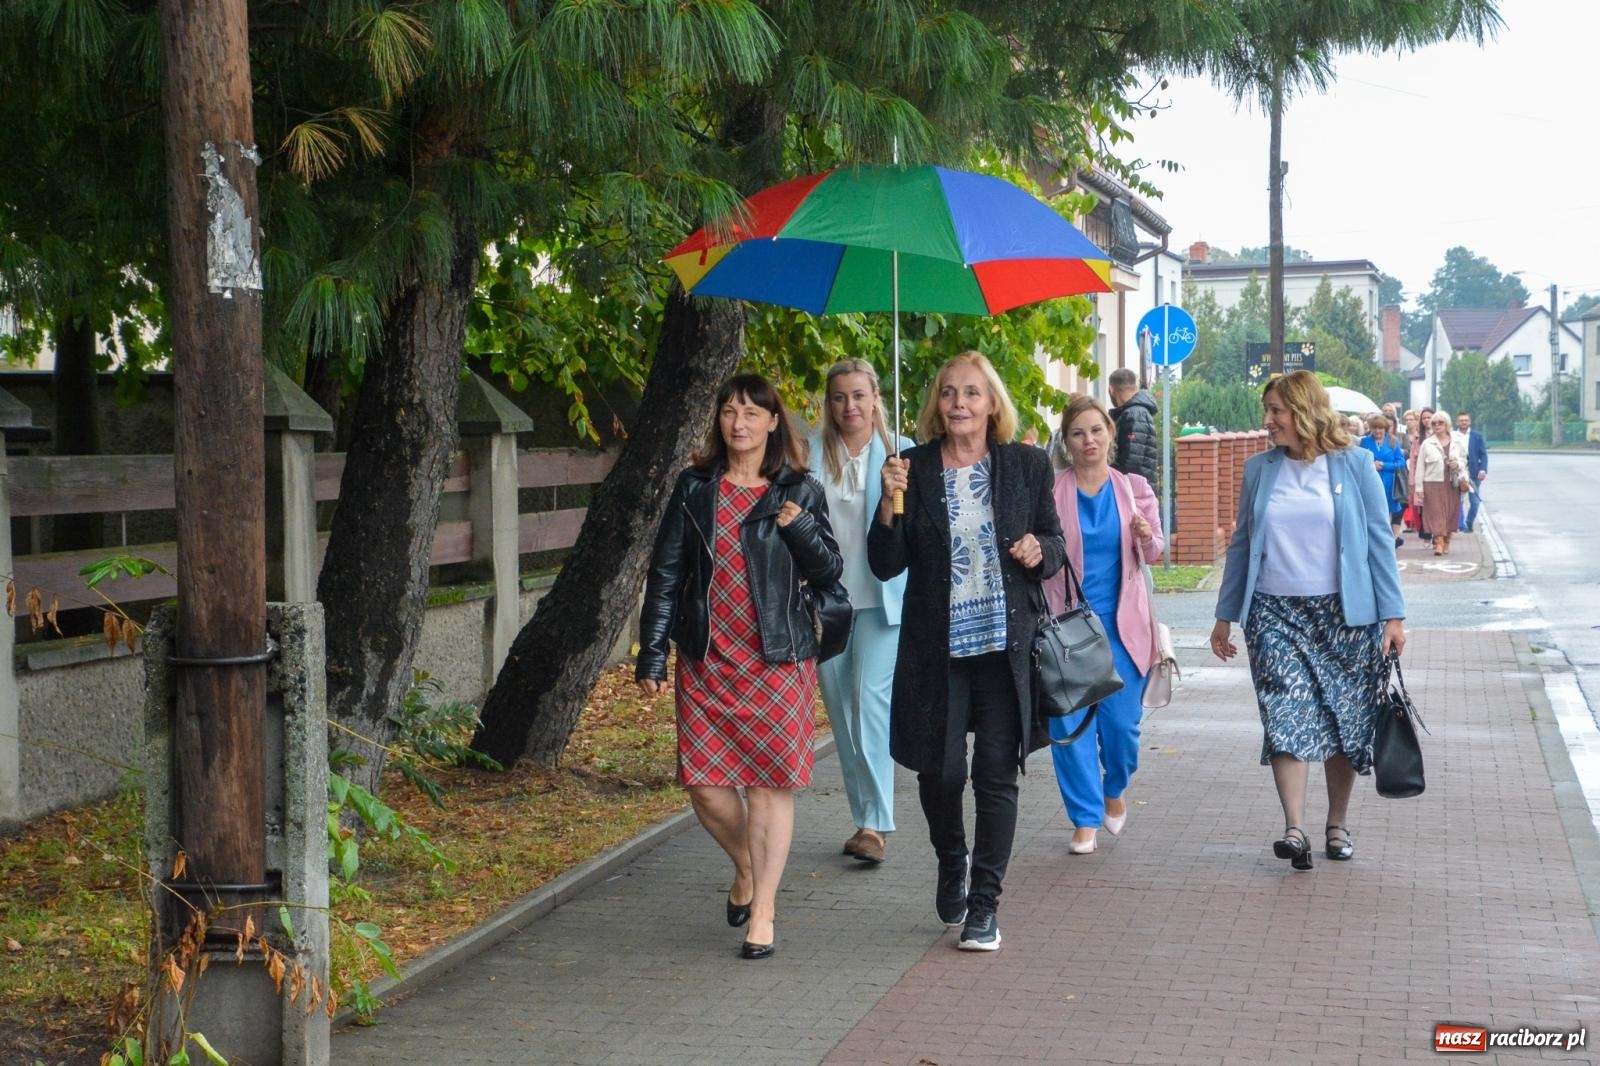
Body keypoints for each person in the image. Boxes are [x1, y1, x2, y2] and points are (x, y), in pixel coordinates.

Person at [636, 373, 844, 960]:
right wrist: (653, 651)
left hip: (777, 660)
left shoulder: (799, 489)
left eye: (753, 413)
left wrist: (798, 527)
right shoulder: (694, 486)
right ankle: (749, 867)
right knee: (705, 785)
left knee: (770, 786)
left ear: (775, 422)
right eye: (729, 411)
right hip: (708, 656)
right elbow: (667, 573)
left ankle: (765, 911)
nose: (740, 423)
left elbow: (830, 573)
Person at [869, 351, 1064, 953]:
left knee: (995, 777)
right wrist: (887, 503)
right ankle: (950, 858)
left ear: (992, 404)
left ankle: (984, 906)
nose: (959, 404)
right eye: (949, 393)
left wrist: (1040, 549)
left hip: (1006, 648)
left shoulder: (1027, 467)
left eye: (973, 393)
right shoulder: (911, 469)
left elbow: (1055, 545)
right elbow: (885, 562)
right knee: (942, 772)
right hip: (938, 649)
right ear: (936, 404)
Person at [1211, 371, 1405, 871]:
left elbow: (1380, 541)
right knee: (1284, 714)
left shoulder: (1355, 464)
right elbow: (1242, 544)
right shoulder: (1260, 469)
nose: (1268, 420)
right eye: (1267, 410)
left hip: (1345, 615)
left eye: (1276, 410)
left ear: (1303, 411)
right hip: (1274, 611)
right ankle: (1294, 829)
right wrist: (1225, 615)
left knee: (1345, 720)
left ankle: (1336, 823)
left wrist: (1393, 615)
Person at [1043, 396, 1165, 855]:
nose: (1088, 440)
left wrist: (1145, 537)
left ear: (1110, 435)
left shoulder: (1133, 488)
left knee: (1122, 731)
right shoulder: (1052, 491)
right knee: (1069, 726)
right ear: (1067, 442)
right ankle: (1084, 818)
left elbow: (1155, 552)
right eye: (1078, 433)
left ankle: (1114, 787)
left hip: (1122, 627)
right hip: (1067, 628)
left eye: (1096, 430)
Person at [809, 359, 912, 865]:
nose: (849, 406)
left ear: (876, 398)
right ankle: (862, 814)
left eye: (858, 396)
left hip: (883, 599)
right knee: (840, 714)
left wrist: (899, 491)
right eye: (839, 398)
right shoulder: (808, 455)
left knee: (870, 703)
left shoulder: (903, 454)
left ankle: (876, 824)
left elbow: (915, 533)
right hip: (827, 603)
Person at [1416, 410, 1467, 557]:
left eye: (1440, 422)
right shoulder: (1427, 443)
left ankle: (1447, 541)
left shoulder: (1457, 441)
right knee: (1436, 513)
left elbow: (1464, 460)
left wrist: (1457, 464)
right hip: (1432, 483)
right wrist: (1419, 488)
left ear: (1447, 424)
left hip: (1452, 483)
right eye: (1434, 423)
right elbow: (1420, 467)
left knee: (1451, 513)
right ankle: (1438, 543)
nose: (1437, 425)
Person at [1359, 413, 1407, 548]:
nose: (1377, 431)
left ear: (1385, 429)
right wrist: (1371, 465)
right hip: (1371, 482)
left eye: (1380, 428)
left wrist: (1385, 465)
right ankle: (1376, 541)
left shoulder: (1393, 442)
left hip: (1389, 483)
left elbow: (1401, 463)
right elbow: (1360, 461)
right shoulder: (1365, 442)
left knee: (1388, 513)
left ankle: (1388, 540)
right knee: (1374, 512)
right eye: (1374, 428)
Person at [1107, 368, 1159, 488]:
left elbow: (1131, 464)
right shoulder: (1137, 412)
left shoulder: (1133, 414)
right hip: (1139, 491)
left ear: (1111, 389)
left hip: (1134, 495)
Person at [1455, 412, 1489, 532]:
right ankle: (1458, 525)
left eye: (1466, 420)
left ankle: (1469, 522)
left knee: (1475, 502)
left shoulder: (1476, 436)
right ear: (1457, 422)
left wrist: (1483, 470)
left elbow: (1483, 454)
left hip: (1474, 473)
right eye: (1461, 420)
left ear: (1469, 422)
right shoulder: (1453, 436)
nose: (1463, 422)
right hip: (1457, 473)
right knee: (1457, 501)